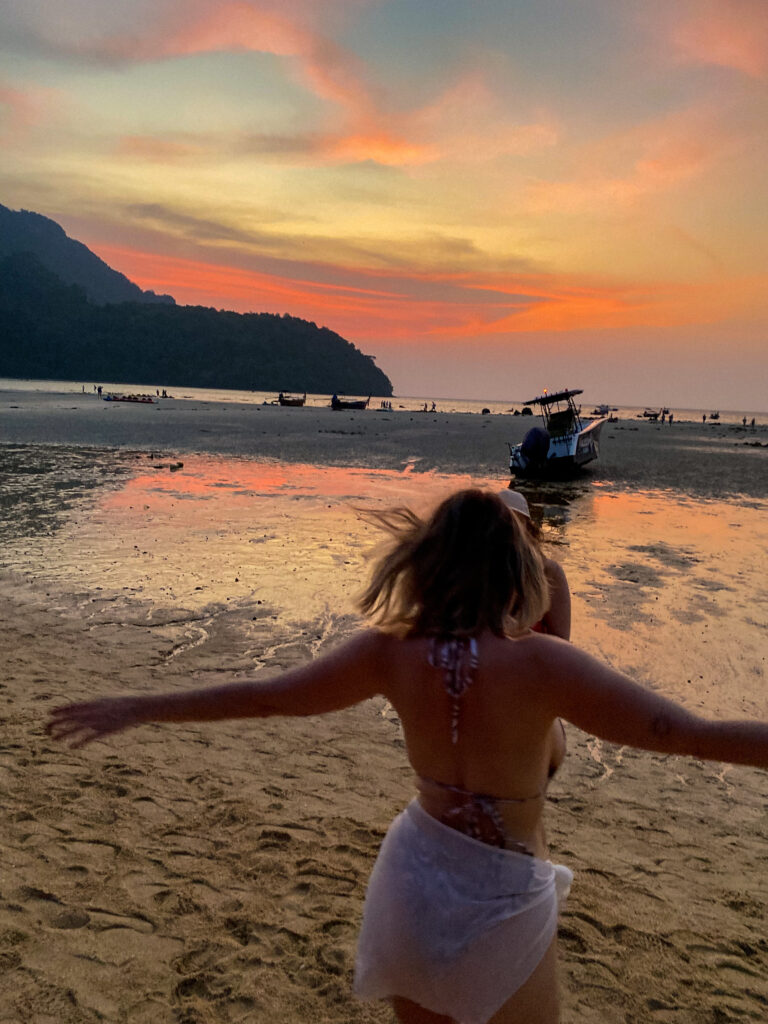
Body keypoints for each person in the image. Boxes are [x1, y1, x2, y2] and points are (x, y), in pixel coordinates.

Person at [46, 490, 768, 1024]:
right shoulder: (544, 667)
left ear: (426, 563)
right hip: (502, 895)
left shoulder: (390, 653)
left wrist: (139, 706)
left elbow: (267, 697)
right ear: (518, 572)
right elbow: (685, 734)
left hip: (414, 882)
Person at [498, 490, 570, 640]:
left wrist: (519, 632)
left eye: (515, 522)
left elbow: (562, 641)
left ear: (528, 528)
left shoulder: (549, 572)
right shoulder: (478, 573)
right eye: (500, 522)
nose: (507, 530)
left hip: (535, 660)